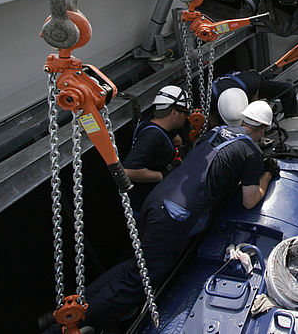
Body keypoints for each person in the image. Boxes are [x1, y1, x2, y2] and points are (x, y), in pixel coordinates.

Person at [76, 100, 280, 333]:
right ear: (263, 128)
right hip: (174, 216)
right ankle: (77, 323)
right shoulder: (250, 151)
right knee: (141, 279)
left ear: (243, 119)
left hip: (157, 200)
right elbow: (250, 200)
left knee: (137, 264)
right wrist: (267, 174)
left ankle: (79, 302)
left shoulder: (215, 132)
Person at [122, 85, 190, 212]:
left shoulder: (151, 124)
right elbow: (128, 171)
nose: (187, 117)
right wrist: (162, 175)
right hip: (148, 203)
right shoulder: (152, 136)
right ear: (174, 112)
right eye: (185, 113)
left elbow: (176, 139)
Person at [212, 69, 298, 121]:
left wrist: (258, 108)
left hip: (248, 87)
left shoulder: (253, 82)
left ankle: (292, 113)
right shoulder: (212, 96)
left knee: (287, 89)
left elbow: (255, 100)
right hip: (225, 97)